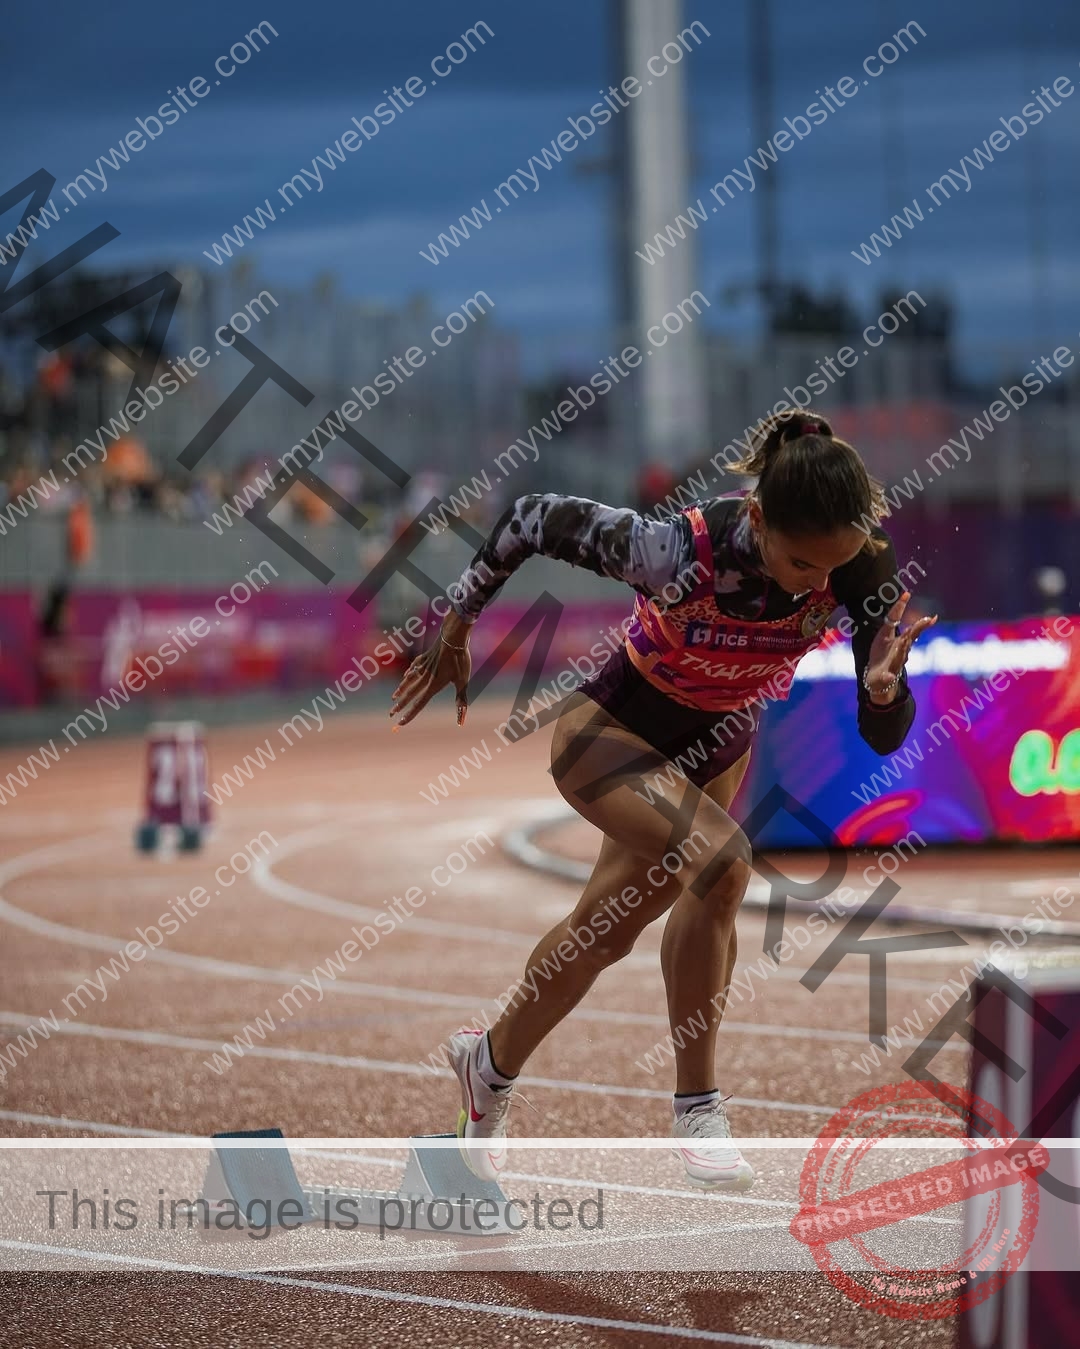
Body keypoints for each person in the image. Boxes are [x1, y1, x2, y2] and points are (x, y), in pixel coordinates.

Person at [389, 410, 936, 1191]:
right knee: (723, 864)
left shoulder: (855, 560)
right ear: (756, 518)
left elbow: (885, 733)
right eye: (800, 563)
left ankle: (488, 1064)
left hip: (717, 743)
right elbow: (528, 518)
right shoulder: (675, 548)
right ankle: (698, 1106)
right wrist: (460, 618)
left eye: (833, 568)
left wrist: (883, 696)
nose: (820, 583)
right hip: (610, 732)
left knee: (602, 930)